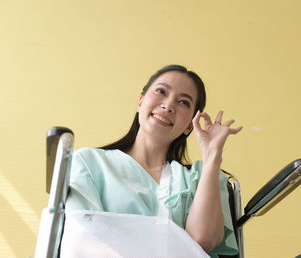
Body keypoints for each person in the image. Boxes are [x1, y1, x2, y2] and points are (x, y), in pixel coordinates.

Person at [65, 64, 243, 257]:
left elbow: (203, 239)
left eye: (184, 102)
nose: (168, 106)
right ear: (140, 102)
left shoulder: (203, 177)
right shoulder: (88, 163)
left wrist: (212, 154)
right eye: (161, 91)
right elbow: (83, 238)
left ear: (189, 126)